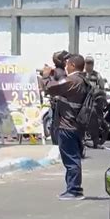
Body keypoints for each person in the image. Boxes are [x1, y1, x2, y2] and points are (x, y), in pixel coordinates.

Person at [42, 55, 89, 201]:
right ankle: (73, 188)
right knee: (73, 158)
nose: (66, 67)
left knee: (71, 159)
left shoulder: (73, 80)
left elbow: (52, 87)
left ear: (73, 66)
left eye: (68, 64)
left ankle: (74, 190)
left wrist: (46, 76)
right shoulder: (82, 80)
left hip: (67, 126)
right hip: (76, 126)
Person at [83, 56, 106, 149]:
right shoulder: (82, 75)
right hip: (83, 101)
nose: (89, 65)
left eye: (90, 63)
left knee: (94, 122)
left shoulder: (97, 75)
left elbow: (102, 86)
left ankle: (96, 142)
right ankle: (82, 141)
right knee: (82, 122)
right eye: (87, 63)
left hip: (93, 101)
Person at [49, 50, 70, 145]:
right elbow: (63, 87)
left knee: (55, 122)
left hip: (55, 100)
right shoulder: (61, 73)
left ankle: (56, 142)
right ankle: (58, 142)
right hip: (59, 101)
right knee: (58, 123)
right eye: (65, 60)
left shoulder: (55, 71)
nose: (66, 62)